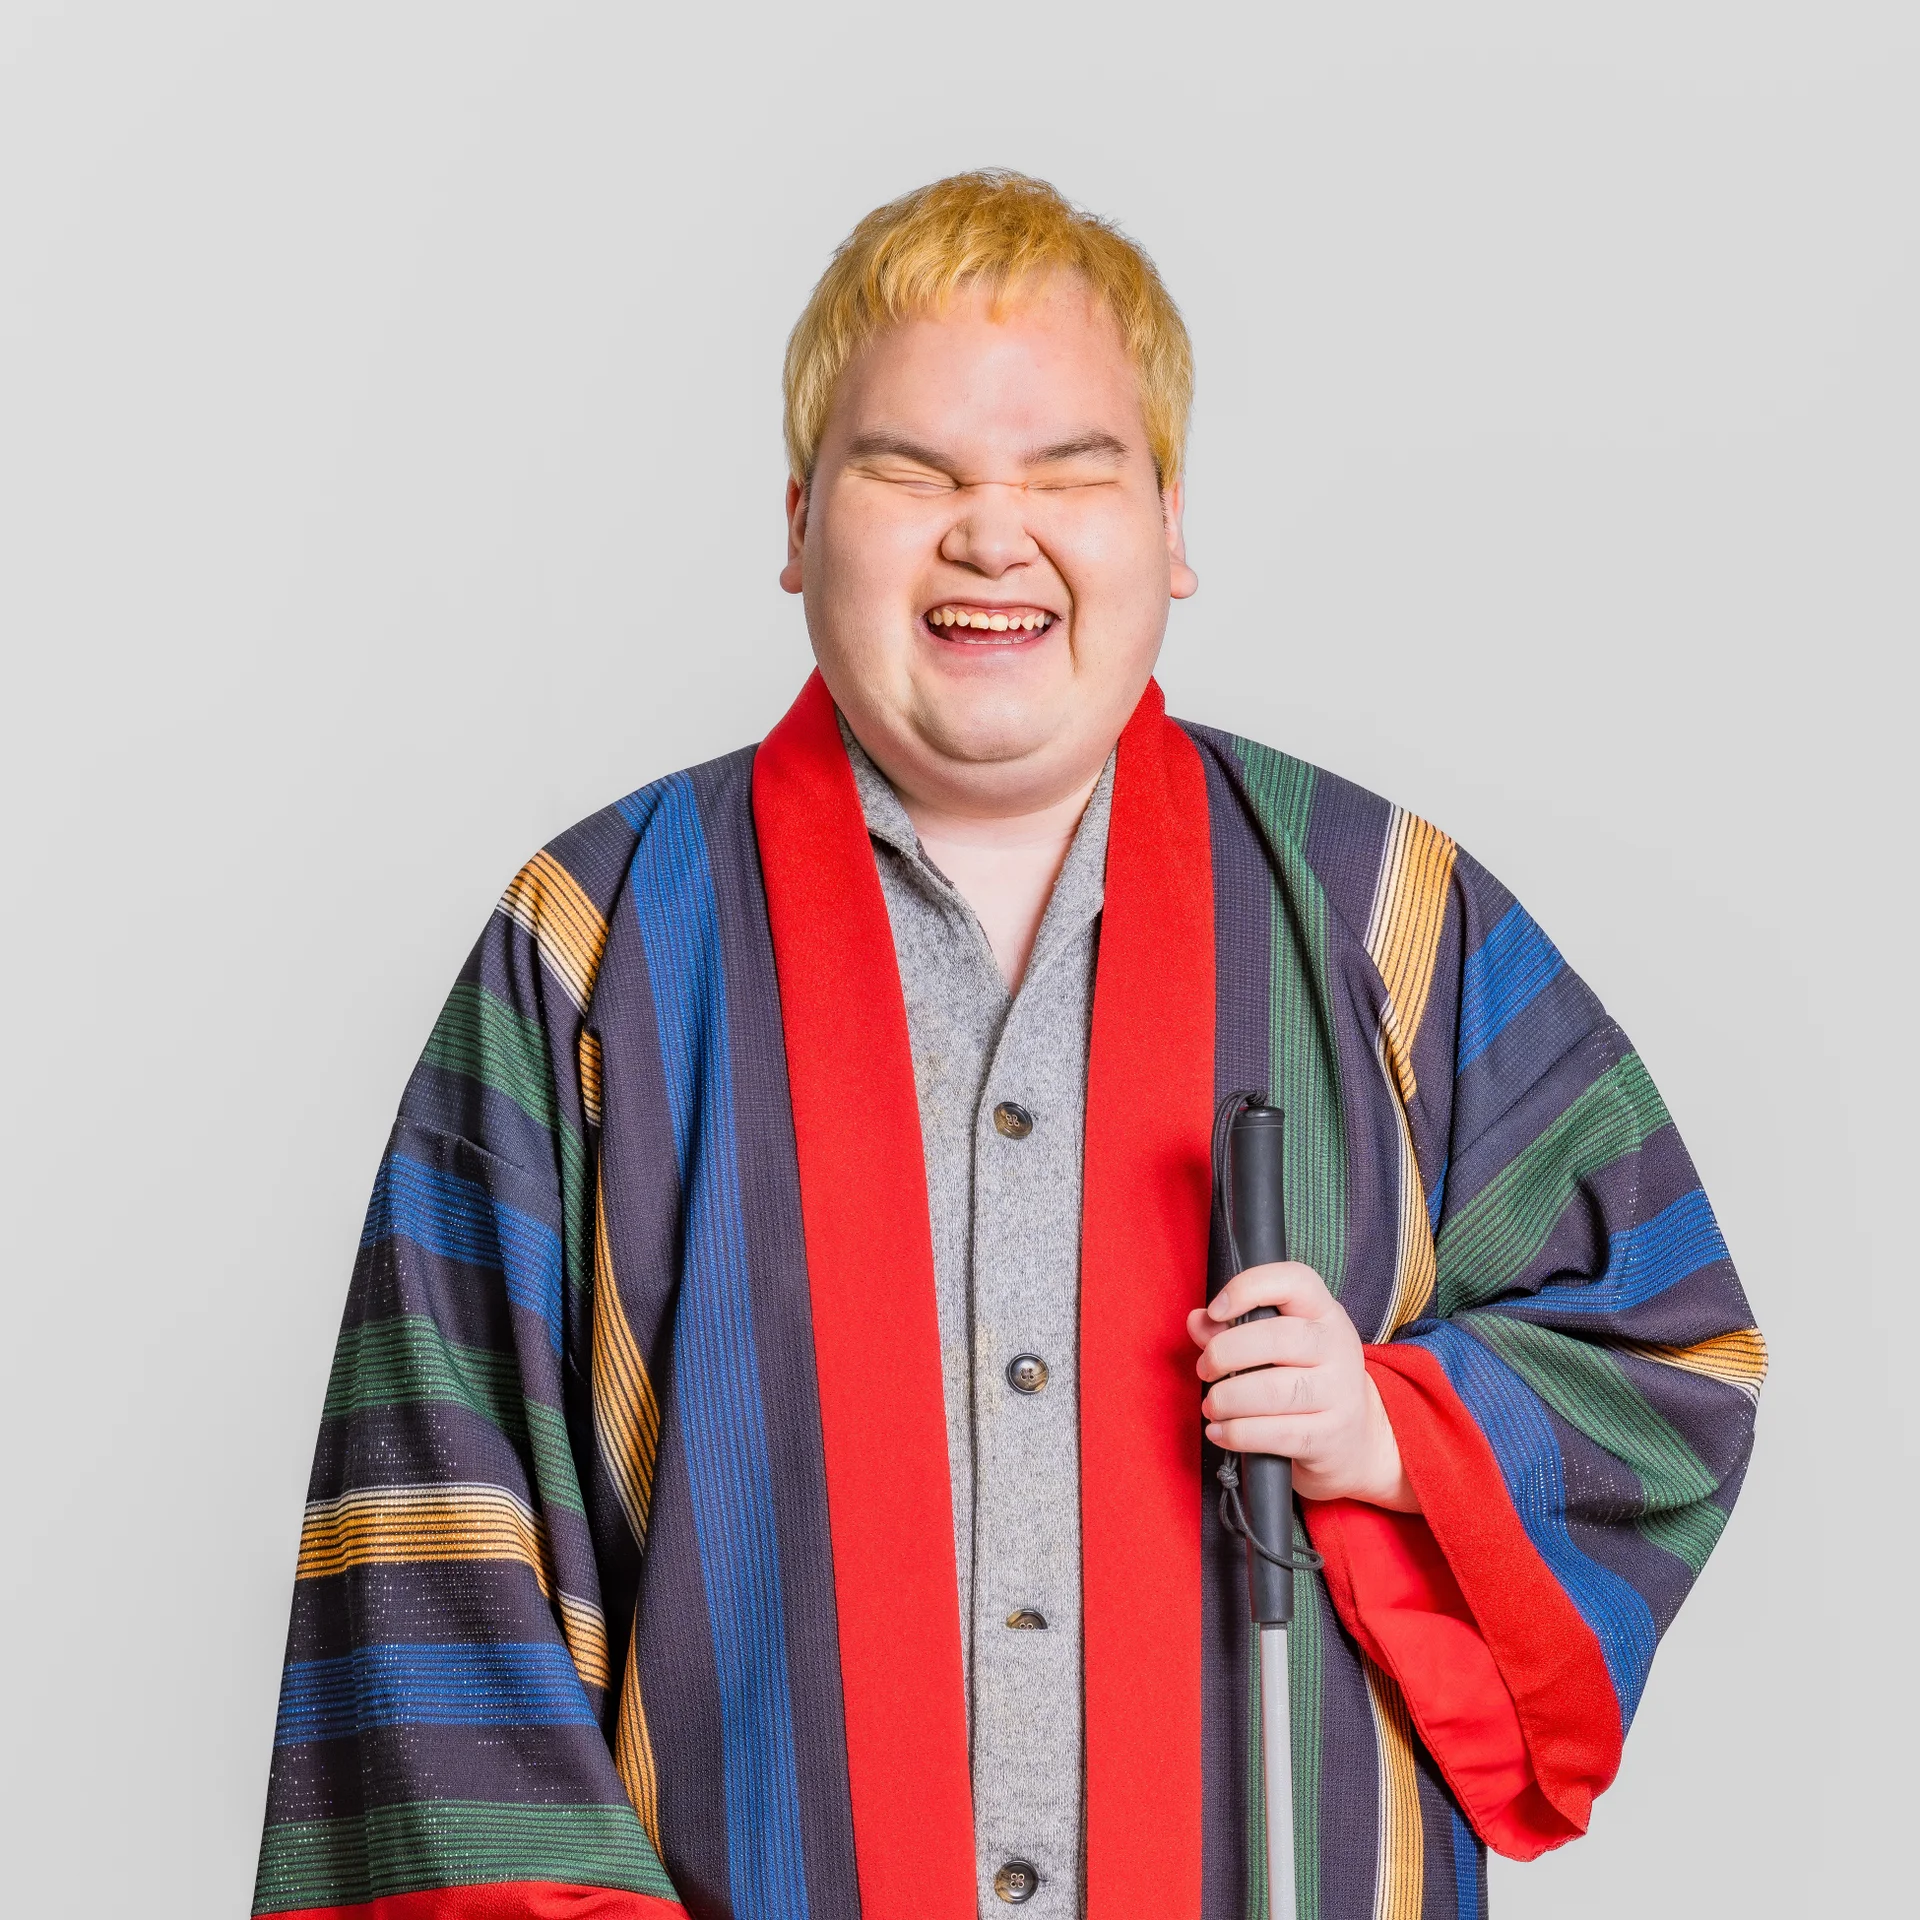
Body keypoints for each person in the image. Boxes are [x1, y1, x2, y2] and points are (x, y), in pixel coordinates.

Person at [254, 172, 1764, 1920]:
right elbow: (437, 1539)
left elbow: (1670, 1347)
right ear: (802, 519)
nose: (993, 531)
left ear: (1172, 527)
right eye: (912, 470)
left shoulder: (1387, 922)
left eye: (1069, 469)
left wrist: (1396, 1433)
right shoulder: (594, 952)